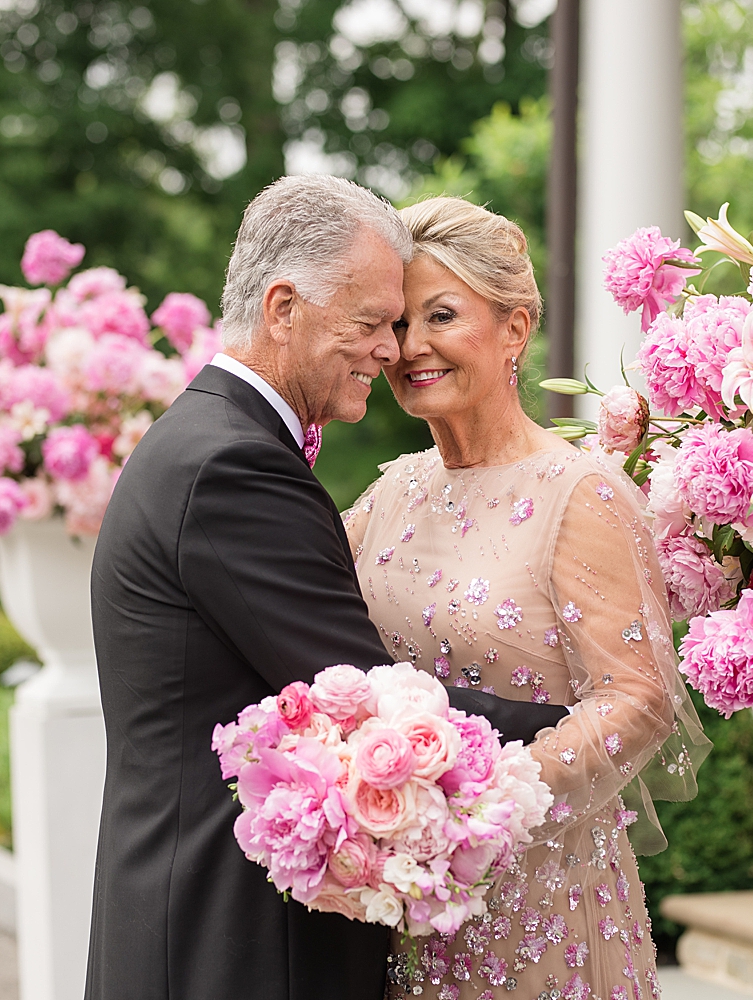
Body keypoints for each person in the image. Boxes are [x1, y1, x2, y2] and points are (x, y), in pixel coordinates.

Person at [85, 176, 570, 1000]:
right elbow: (370, 699)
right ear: (282, 308)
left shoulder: (207, 441)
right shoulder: (231, 465)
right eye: (374, 321)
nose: (392, 350)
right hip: (228, 946)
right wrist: (580, 721)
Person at [345, 196, 709, 1000]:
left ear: (515, 327)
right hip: (399, 894)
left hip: (539, 890)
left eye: (442, 315)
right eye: (398, 325)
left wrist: (478, 810)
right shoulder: (391, 493)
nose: (413, 347)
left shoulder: (579, 491)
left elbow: (639, 698)